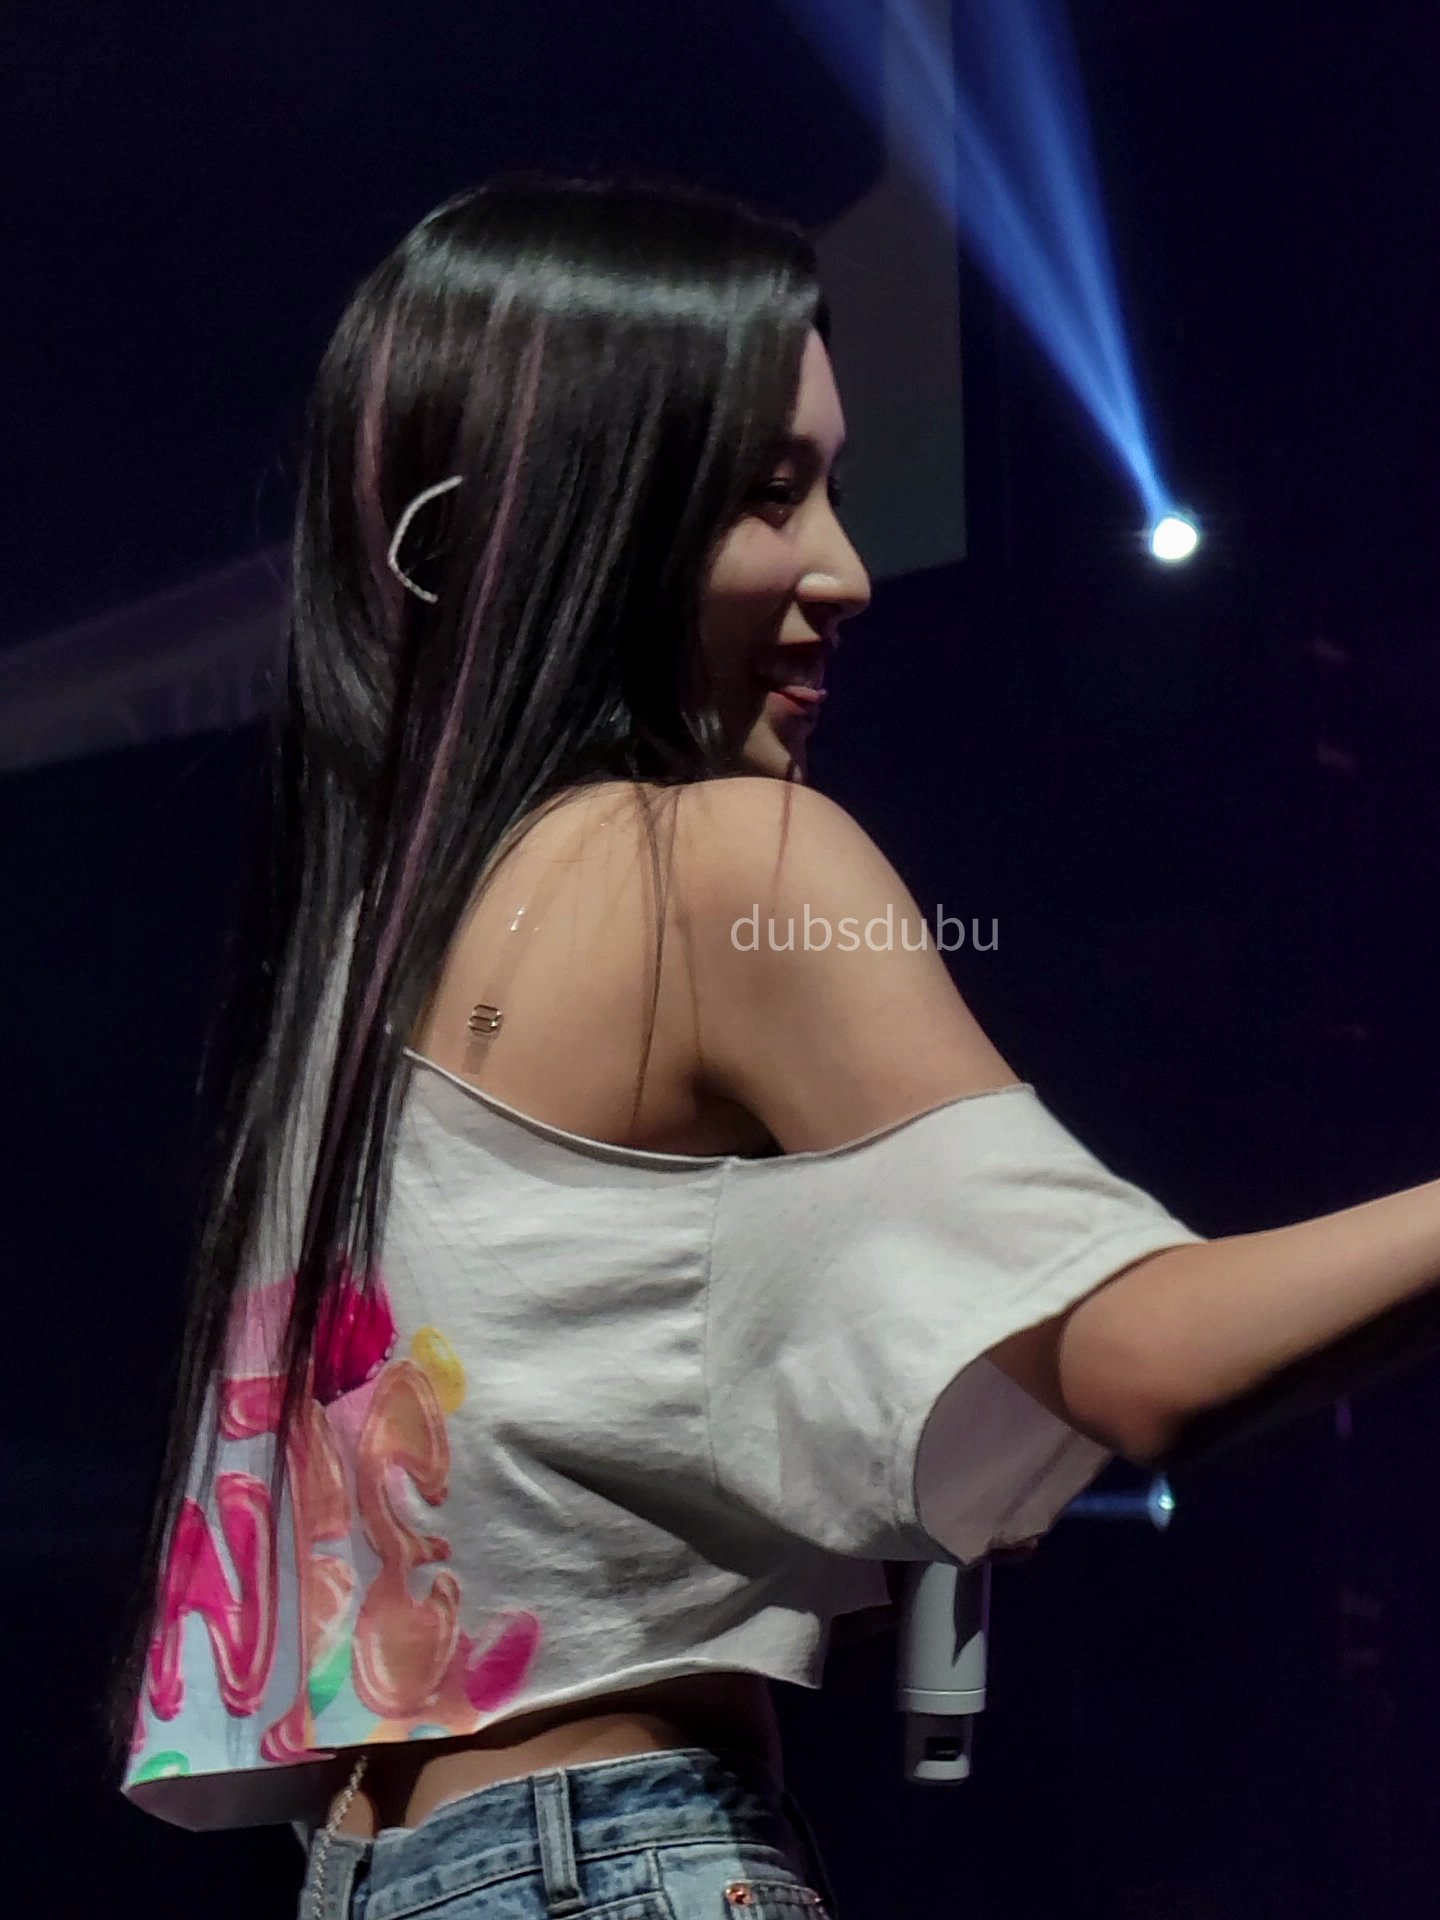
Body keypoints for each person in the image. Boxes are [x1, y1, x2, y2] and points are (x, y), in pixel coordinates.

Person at [102, 173, 1440, 1920]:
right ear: (567, 512)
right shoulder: (731, 864)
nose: (848, 573)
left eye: (832, 491)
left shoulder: (370, 937)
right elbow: (1145, 1360)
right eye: (764, 495)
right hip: (615, 1862)